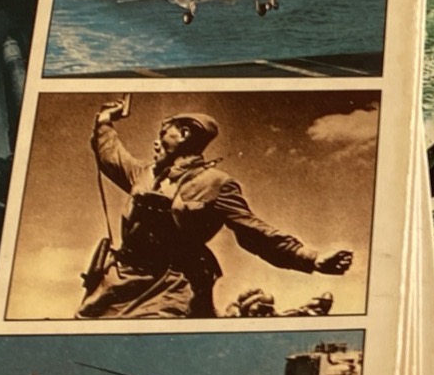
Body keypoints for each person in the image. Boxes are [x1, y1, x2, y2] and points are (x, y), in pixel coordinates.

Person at [77, 100, 355, 318]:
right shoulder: (143, 174)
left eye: (163, 134)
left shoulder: (216, 184)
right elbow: (111, 155)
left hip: (169, 287)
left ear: (184, 134)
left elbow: (255, 232)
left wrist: (311, 258)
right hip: (117, 283)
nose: (156, 141)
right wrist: (105, 121)